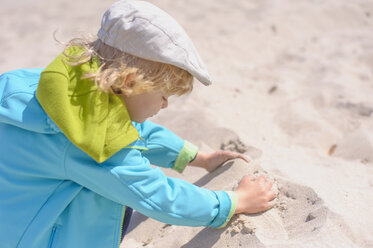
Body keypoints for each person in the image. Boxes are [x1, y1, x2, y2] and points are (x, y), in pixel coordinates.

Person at [0, 0, 276, 247]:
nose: (165, 104)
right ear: (130, 84)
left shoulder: (60, 88)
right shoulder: (87, 143)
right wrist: (233, 202)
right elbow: (156, 195)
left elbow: (129, 130)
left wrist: (195, 157)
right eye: (164, 95)